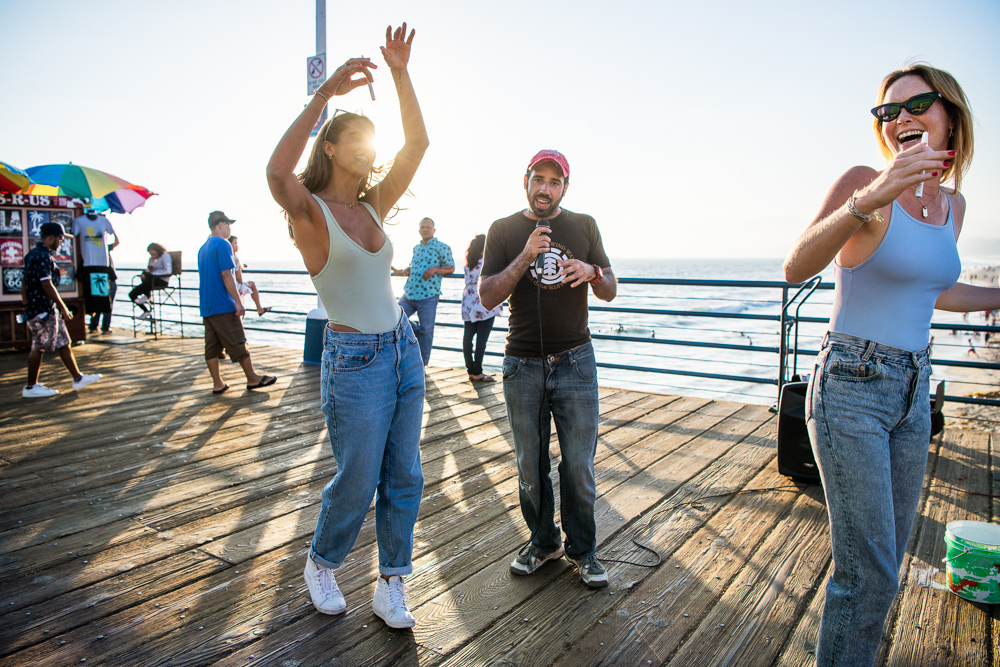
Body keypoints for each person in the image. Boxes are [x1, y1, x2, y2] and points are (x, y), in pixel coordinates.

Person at [782, 63, 1000, 667]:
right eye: (887, 111)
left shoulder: (954, 205)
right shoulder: (863, 182)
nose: (899, 118)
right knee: (869, 572)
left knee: (891, 557)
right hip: (851, 385)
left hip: (913, 389)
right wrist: (871, 196)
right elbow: (796, 267)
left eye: (916, 104)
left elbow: (933, 289)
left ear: (949, 113)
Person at [265, 23, 428, 629]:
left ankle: (392, 582)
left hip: (402, 349)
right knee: (357, 479)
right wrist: (325, 96)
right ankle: (322, 561)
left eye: (369, 138)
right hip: (355, 360)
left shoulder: (371, 206)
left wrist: (402, 74)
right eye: (352, 137)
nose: (365, 147)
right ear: (330, 146)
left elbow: (418, 145)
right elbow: (277, 173)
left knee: (404, 472)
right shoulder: (310, 214)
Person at [479, 149, 617, 588]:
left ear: (565, 188)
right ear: (525, 181)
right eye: (538, 179)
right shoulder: (502, 230)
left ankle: (585, 551)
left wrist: (592, 271)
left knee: (578, 466)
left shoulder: (585, 225)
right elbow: (486, 296)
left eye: (554, 182)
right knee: (530, 466)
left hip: (576, 361)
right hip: (522, 362)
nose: (545, 188)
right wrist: (524, 257)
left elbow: (611, 289)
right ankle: (543, 542)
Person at [196, 211, 277, 395]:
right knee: (238, 341)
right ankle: (252, 378)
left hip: (207, 305)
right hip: (222, 303)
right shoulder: (223, 244)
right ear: (220, 225)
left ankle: (218, 383)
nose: (230, 228)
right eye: (228, 225)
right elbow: (227, 275)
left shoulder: (203, 248)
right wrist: (237, 302)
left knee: (211, 346)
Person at [20, 221, 102, 397]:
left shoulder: (32, 254)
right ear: (51, 237)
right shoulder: (42, 256)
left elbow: (24, 281)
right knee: (38, 346)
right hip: (42, 309)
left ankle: (78, 378)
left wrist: (26, 303)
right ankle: (30, 387)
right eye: (61, 239)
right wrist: (63, 307)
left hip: (44, 308)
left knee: (64, 341)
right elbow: (47, 284)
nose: (61, 243)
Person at [391, 217, 454, 365]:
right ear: (419, 230)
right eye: (423, 227)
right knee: (395, 318)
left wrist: (435, 269)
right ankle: (416, 332)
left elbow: (451, 267)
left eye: (428, 227)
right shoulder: (416, 248)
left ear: (434, 230)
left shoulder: (442, 247)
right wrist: (409, 269)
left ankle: (423, 364)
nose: (425, 229)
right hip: (410, 293)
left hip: (428, 295)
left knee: (427, 331)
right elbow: (416, 265)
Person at [461, 234, 502, 382]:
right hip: (483, 304)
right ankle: (478, 372)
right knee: (481, 340)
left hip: (468, 302)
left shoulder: (468, 264)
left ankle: (471, 370)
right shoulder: (486, 263)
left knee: (468, 338)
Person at [71, 209, 118, 334]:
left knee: (99, 298)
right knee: (101, 298)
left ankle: (96, 325)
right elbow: (116, 239)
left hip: (98, 267)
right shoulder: (80, 221)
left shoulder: (103, 222)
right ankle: (100, 325)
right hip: (96, 267)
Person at [227, 235, 272, 316]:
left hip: (228, 287)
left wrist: (242, 265)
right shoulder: (236, 258)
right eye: (235, 243)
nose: (237, 246)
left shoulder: (228, 257)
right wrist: (240, 268)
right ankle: (259, 309)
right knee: (252, 284)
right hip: (235, 287)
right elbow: (239, 279)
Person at [130, 242, 172, 321]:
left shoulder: (165, 256)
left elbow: (168, 272)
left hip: (161, 280)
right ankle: (146, 310)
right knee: (132, 294)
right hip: (149, 282)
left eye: (153, 253)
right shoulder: (152, 259)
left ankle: (147, 296)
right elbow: (149, 270)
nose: (152, 255)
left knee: (148, 277)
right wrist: (149, 270)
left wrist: (153, 273)